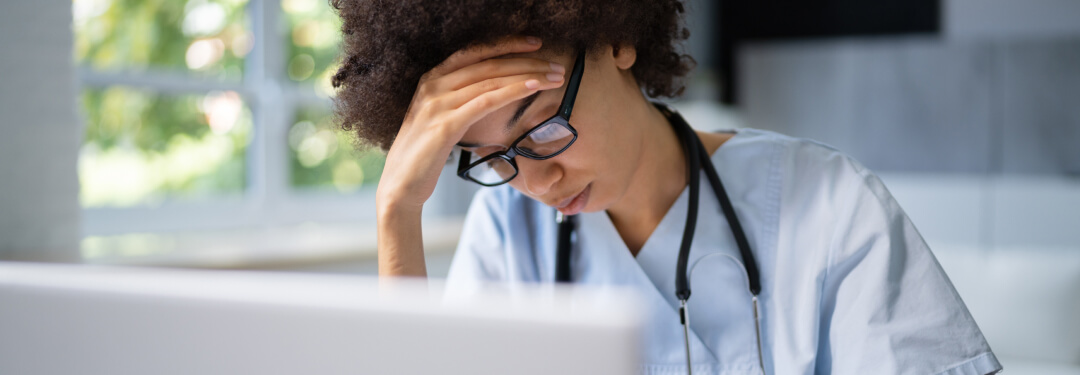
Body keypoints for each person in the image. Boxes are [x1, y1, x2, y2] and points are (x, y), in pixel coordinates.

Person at [330, 1, 1003, 374]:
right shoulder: (507, 236)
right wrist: (399, 213)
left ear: (614, 39)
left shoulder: (832, 206)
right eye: (490, 156)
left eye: (542, 126)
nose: (535, 182)